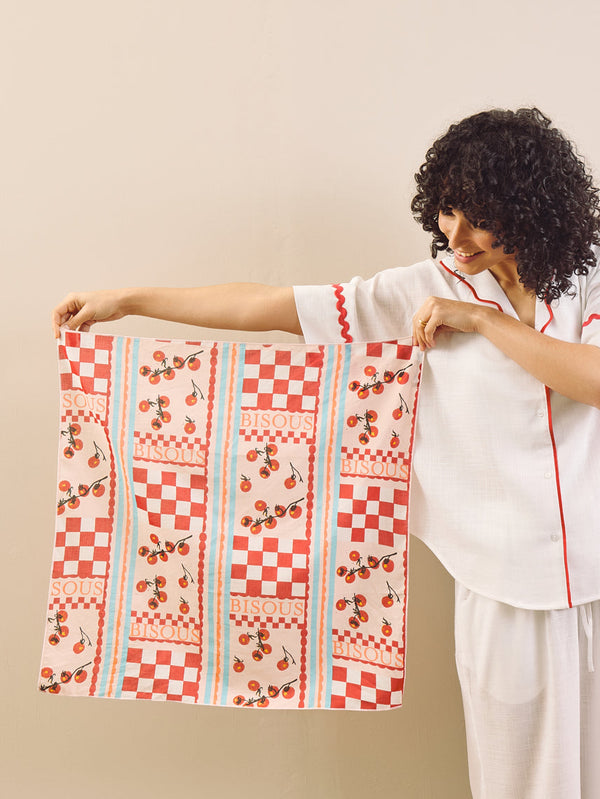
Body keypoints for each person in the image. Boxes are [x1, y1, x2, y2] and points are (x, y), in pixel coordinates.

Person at [52, 107, 600, 799]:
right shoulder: (422, 290)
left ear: (527, 210)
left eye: (479, 218)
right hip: (506, 586)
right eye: (447, 211)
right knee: (519, 782)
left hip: (596, 568)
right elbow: (271, 306)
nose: (454, 235)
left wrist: (483, 323)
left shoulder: (586, 277)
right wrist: (129, 299)